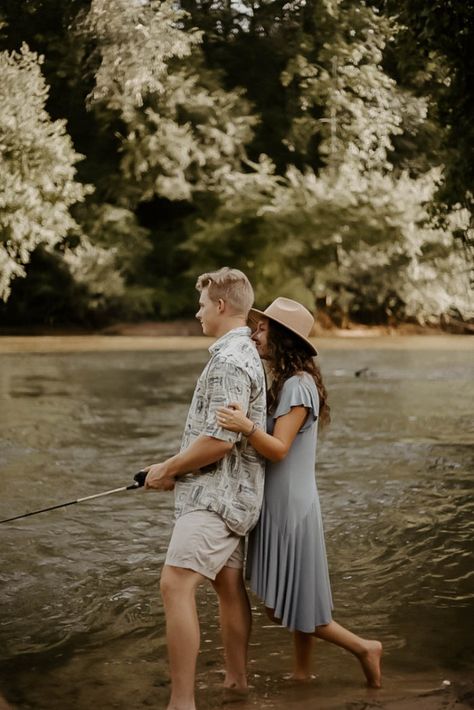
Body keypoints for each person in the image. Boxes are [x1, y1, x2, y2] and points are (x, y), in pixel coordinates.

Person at [217, 297, 382, 688]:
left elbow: (278, 448)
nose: (255, 334)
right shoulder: (289, 382)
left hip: (290, 506)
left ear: (283, 339)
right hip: (287, 499)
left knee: (289, 605)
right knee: (299, 594)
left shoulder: (298, 386)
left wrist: (244, 426)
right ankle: (303, 673)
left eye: (262, 329)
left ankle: (364, 648)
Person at [142, 267, 266, 710]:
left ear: (219, 305)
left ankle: (181, 702)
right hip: (236, 497)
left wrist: (168, 468)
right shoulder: (246, 352)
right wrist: (174, 468)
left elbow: (220, 440)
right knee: (228, 585)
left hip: (214, 498)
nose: (197, 313)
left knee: (174, 584)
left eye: (200, 304)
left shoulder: (228, 361)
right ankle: (236, 685)